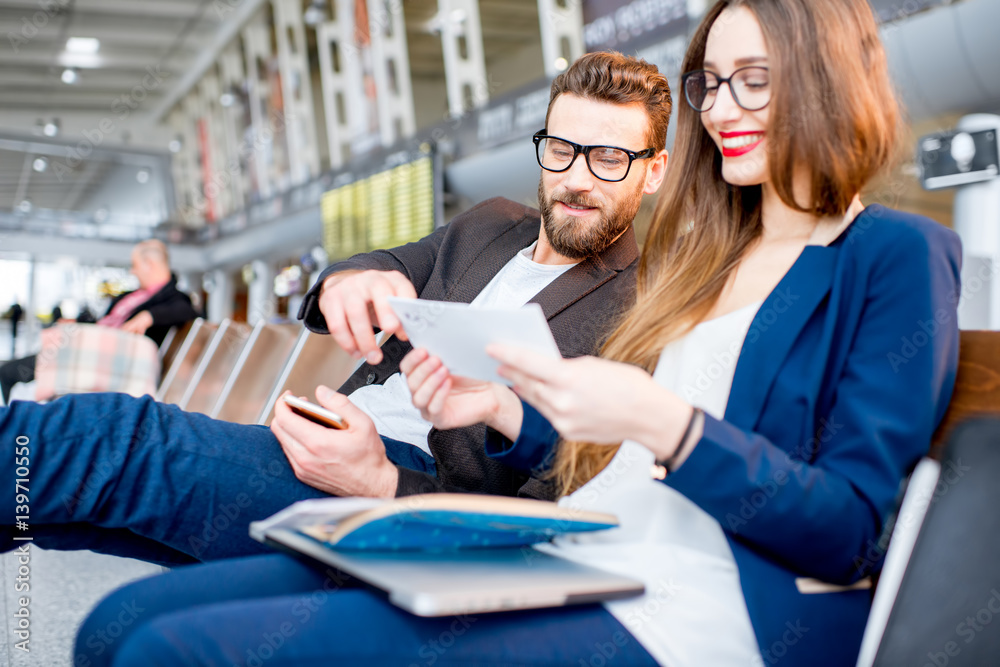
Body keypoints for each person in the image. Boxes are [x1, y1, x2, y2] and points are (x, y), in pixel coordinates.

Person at [73, 1, 962, 665]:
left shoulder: (891, 252)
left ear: (828, 75)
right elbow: (607, 455)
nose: (723, 105)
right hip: (582, 543)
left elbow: (851, 527)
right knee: (117, 626)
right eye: (712, 81)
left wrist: (666, 424)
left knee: (169, 647)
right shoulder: (710, 256)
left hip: (700, 602)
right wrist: (505, 407)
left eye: (753, 79)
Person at [0, 51, 670, 565]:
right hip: (326, 428)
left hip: (399, 490)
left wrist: (382, 483)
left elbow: (558, 505)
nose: (578, 178)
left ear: (655, 170)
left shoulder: (645, 307)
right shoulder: (491, 224)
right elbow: (378, 266)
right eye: (562, 150)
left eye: (610, 158)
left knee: (114, 441)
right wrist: (354, 279)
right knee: (68, 508)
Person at [0, 240, 199, 403]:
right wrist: (76, 322)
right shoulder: (131, 295)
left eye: (135, 265)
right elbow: (104, 322)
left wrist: (149, 316)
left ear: (150, 264)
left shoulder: (174, 298)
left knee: (9, 373)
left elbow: (187, 310)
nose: (132, 271)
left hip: (99, 357)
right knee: (11, 372)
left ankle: (13, 434)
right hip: (82, 345)